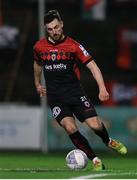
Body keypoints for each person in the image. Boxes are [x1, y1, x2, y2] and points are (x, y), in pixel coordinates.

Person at [33, 10, 127, 171]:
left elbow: (93, 66)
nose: (54, 31)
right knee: (70, 127)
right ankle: (95, 159)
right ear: (45, 29)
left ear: (61, 24)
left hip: (75, 93)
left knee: (96, 125)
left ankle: (108, 141)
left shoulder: (73, 46)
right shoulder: (39, 47)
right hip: (56, 97)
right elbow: (37, 64)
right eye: (50, 29)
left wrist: (102, 88)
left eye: (56, 27)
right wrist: (37, 83)